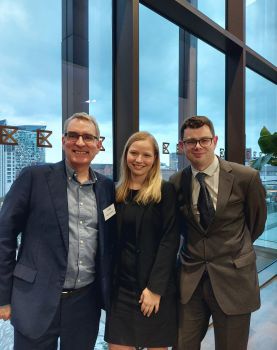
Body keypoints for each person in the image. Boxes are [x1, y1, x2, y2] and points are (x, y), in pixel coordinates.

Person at [0, 112, 116, 349]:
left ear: (98, 144)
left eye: (87, 137)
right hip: (35, 297)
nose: (80, 143)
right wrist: (3, 296)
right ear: (63, 141)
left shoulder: (105, 187)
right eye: (73, 135)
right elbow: (4, 236)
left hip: (85, 302)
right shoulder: (34, 177)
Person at [170, 116, 267, 350]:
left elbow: (256, 224)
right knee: (181, 345)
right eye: (191, 142)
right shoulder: (175, 182)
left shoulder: (245, 177)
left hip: (233, 278)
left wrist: (234, 251)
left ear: (214, 141)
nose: (198, 146)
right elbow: (182, 228)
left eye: (204, 140)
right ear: (182, 147)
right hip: (191, 280)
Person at [105, 131, 179, 350]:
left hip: (154, 290)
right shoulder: (115, 192)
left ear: (155, 159)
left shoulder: (165, 191)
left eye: (146, 155)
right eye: (134, 153)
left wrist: (155, 289)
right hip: (121, 291)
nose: (139, 160)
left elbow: (170, 241)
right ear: (125, 155)